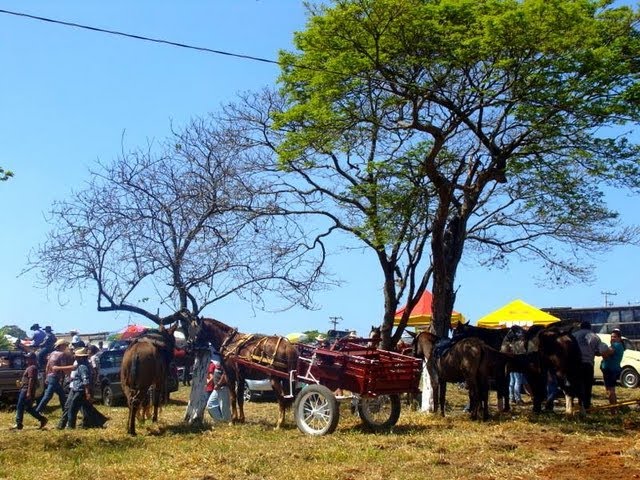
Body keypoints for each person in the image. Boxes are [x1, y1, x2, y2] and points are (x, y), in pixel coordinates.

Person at [572, 321, 608, 410]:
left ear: (581, 327)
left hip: (575, 364)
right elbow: (600, 351)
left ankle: (574, 404)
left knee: (575, 384)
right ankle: (586, 406)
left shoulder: (574, 335)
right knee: (587, 386)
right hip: (588, 364)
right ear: (590, 327)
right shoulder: (595, 336)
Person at [57, 348, 94, 429]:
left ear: (81, 357)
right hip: (75, 388)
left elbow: (86, 380)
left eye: (77, 356)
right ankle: (62, 425)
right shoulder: (81, 365)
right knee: (68, 406)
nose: (75, 357)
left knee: (72, 409)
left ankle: (70, 426)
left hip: (79, 390)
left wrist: (87, 393)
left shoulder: (83, 366)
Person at [11, 352, 48, 430]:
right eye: (27, 358)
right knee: (28, 408)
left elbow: (31, 380)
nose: (27, 359)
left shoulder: (32, 368)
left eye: (29, 358)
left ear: (33, 359)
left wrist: (28, 392)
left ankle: (18, 423)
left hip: (26, 390)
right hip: (26, 388)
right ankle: (42, 419)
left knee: (20, 406)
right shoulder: (31, 367)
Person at [35, 339, 72, 414]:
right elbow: (63, 368)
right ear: (61, 346)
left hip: (50, 376)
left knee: (61, 395)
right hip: (55, 377)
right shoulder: (62, 355)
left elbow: (47, 366)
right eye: (65, 345)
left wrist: (46, 376)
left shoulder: (52, 353)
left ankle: (65, 410)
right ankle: (37, 411)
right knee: (48, 396)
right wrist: (70, 375)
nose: (66, 347)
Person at [600, 329, 625, 410]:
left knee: (610, 391)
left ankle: (613, 410)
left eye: (614, 337)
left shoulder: (616, 345)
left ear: (619, 338)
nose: (612, 338)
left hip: (610, 370)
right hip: (612, 369)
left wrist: (602, 352)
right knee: (611, 390)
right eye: (611, 336)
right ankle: (614, 408)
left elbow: (606, 353)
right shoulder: (619, 345)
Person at [205, 352, 231, 423]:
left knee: (224, 407)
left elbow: (225, 376)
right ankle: (220, 420)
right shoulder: (217, 364)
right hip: (216, 389)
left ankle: (228, 421)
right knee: (210, 405)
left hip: (223, 388)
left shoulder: (225, 364)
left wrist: (219, 384)